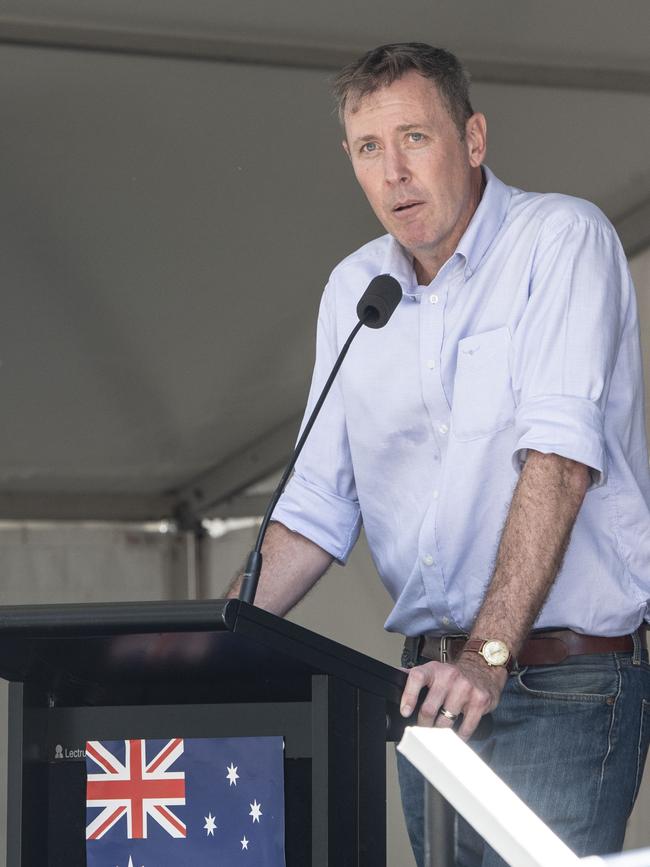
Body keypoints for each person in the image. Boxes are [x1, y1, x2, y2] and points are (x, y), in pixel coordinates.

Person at [229, 43, 650, 866]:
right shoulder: (357, 290)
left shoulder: (560, 240)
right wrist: (200, 644)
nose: (395, 172)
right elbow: (314, 506)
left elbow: (559, 464)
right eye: (368, 148)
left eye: (415, 138)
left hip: (563, 682)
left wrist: (486, 658)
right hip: (428, 692)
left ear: (475, 139)